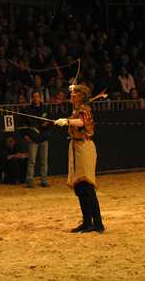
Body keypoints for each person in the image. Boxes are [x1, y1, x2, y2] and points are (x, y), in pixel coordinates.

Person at [54, 85, 105, 233]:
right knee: (80, 188)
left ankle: (98, 223)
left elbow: (82, 122)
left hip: (84, 147)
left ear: (81, 96)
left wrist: (67, 121)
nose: (71, 95)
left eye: (74, 93)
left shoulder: (84, 110)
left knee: (86, 186)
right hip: (76, 147)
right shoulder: (77, 110)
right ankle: (87, 222)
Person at [22, 91, 51, 188]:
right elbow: (23, 125)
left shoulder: (45, 109)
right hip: (33, 138)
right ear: (32, 98)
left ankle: (44, 180)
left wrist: (47, 123)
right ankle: (30, 180)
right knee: (32, 160)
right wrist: (25, 135)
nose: (36, 98)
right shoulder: (27, 110)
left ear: (40, 98)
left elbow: (51, 120)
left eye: (37, 96)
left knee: (44, 161)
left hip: (44, 137)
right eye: (34, 97)